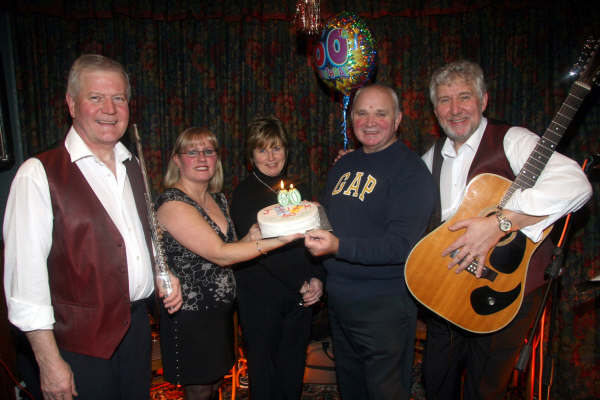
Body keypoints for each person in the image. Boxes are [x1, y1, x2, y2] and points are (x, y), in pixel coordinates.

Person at [3, 54, 183, 400]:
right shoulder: (38, 175)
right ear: (72, 104)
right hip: (78, 348)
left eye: (119, 98)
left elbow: (133, 241)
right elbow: (25, 286)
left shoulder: (133, 166)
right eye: (96, 97)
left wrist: (162, 273)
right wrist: (49, 362)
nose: (110, 109)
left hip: (135, 336)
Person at [421, 60, 593, 400]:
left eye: (464, 97)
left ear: (484, 100)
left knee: (485, 389)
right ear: (434, 108)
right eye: (444, 99)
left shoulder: (512, 139)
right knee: (435, 381)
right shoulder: (431, 157)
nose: (454, 109)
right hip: (446, 290)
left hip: (504, 294)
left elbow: (576, 184)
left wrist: (502, 222)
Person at [304, 83, 436, 400]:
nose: (370, 121)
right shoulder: (344, 165)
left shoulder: (411, 171)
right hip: (341, 305)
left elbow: (401, 245)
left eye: (381, 113)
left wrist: (338, 247)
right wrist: (321, 277)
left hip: (385, 309)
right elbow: (329, 223)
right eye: (362, 113)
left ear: (398, 119)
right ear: (352, 119)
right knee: (352, 389)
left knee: (384, 392)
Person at [156, 126, 303, 400]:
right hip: (190, 315)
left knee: (213, 389)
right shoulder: (172, 203)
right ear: (177, 160)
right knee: (199, 391)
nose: (202, 158)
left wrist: (250, 235)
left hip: (220, 314)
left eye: (209, 151)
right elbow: (220, 253)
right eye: (192, 152)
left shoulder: (218, 199)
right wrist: (281, 240)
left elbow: (233, 247)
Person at [230, 115, 325, 400]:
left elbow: (317, 238)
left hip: (300, 298)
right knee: (265, 373)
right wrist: (302, 281)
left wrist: (319, 279)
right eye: (262, 149)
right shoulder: (244, 194)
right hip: (261, 298)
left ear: (286, 150)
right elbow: (261, 251)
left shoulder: (298, 191)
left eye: (277, 148)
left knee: (293, 369)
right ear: (251, 155)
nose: (271, 157)